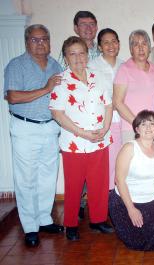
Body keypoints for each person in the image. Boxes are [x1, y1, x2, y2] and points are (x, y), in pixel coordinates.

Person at [4, 24, 64, 247]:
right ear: (27, 42)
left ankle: (44, 219)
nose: (40, 43)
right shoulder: (16, 65)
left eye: (44, 39)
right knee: (26, 178)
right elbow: (12, 97)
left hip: (50, 127)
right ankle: (30, 226)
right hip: (25, 127)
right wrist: (46, 88)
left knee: (48, 176)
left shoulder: (55, 65)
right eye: (35, 40)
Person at [49, 36, 114, 241]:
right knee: (74, 185)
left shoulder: (99, 77)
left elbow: (108, 105)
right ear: (66, 57)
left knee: (99, 184)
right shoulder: (60, 81)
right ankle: (71, 224)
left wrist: (105, 128)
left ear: (87, 54)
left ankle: (98, 220)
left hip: (100, 140)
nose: (78, 58)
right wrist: (83, 133)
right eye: (72, 53)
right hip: (74, 143)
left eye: (82, 53)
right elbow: (57, 114)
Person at [109, 110, 154, 250]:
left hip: (151, 201)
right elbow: (119, 180)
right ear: (137, 129)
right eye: (143, 124)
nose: (148, 127)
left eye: (152, 124)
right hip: (125, 202)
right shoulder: (129, 148)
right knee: (137, 242)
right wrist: (131, 209)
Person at [88, 28, 124, 190]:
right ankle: (108, 201)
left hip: (124, 120)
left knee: (123, 161)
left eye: (114, 41)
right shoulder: (91, 66)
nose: (111, 45)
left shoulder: (125, 65)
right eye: (106, 42)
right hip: (103, 122)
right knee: (107, 164)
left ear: (119, 44)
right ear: (100, 47)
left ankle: (121, 198)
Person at [113, 30, 154, 143]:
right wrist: (138, 125)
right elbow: (117, 102)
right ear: (131, 50)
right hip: (132, 129)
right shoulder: (124, 69)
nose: (140, 48)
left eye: (144, 44)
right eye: (136, 44)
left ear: (149, 48)